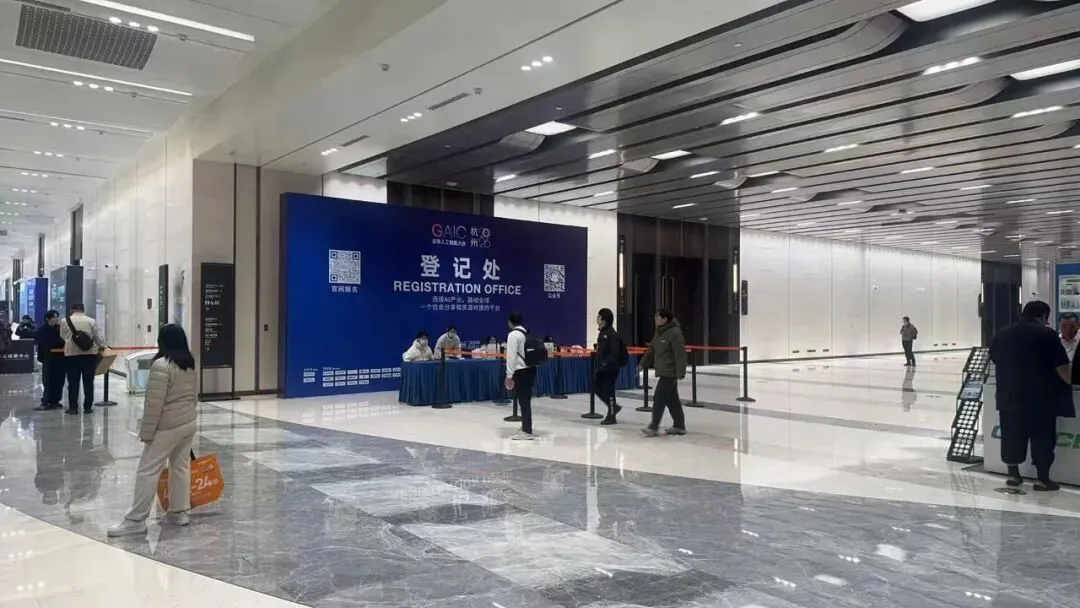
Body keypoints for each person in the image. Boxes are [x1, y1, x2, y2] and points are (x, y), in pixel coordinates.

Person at [108, 324, 198, 537]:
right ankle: (179, 513)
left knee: (147, 471)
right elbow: (193, 395)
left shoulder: (161, 365)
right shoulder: (188, 362)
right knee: (180, 467)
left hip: (168, 425)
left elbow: (154, 404)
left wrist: (147, 432)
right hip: (188, 421)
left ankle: (135, 520)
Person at [990, 300, 1073, 491]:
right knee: (1042, 437)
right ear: (1043, 316)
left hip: (1008, 396)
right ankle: (1042, 479)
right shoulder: (1046, 334)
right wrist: (1070, 381)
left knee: (1011, 435)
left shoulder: (1002, 334)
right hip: (1040, 398)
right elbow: (1061, 366)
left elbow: (994, 358)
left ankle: (1013, 475)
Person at [639, 308, 687, 437]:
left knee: (659, 398)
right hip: (663, 370)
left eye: (657, 317)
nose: (655, 319)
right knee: (672, 400)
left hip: (670, 372)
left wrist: (680, 372)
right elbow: (651, 350)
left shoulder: (675, 333)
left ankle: (653, 426)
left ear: (665, 319)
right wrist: (642, 364)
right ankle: (679, 425)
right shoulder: (659, 332)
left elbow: (680, 355)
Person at [60, 304, 105, 415]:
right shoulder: (91, 321)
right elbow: (97, 337)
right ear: (83, 310)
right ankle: (88, 407)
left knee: (73, 382)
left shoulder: (65, 321)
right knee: (88, 382)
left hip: (72, 355)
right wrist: (102, 346)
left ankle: (73, 408)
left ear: (72, 310)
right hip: (89, 355)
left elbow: (63, 336)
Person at [504, 312, 537, 440]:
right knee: (526, 400)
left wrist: (509, 375)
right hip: (531, 369)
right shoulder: (526, 332)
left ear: (510, 322)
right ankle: (525, 427)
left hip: (521, 371)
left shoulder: (513, 335)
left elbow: (511, 356)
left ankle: (527, 431)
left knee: (523, 402)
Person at [594, 308, 625, 425]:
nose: (597, 319)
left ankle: (611, 415)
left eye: (599, 317)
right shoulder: (602, 332)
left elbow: (615, 352)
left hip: (611, 368)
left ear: (604, 320)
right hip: (603, 368)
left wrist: (605, 362)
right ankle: (614, 407)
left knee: (609, 390)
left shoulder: (611, 334)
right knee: (596, 387)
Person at [33, 310, 66, 411]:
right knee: (48, 381)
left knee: (59, 380)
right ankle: (46, 401)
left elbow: (64, 340)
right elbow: (43, 343)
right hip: (48, 358)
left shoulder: (60, 329)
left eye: (57, 317)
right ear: (47, 318)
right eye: (54, 317)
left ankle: (56, 401)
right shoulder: (42, 330)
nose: (56, 319)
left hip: (60, 358)